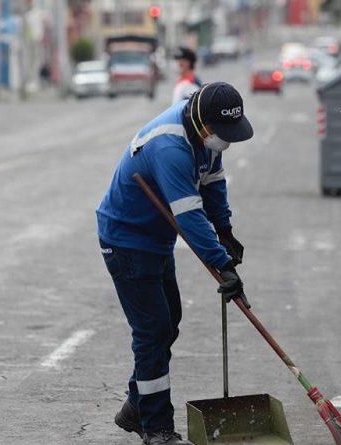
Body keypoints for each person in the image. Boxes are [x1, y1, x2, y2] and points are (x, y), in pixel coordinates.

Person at [97, 82, 252, 445]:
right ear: (203, 125)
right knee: (152, 333)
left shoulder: (204, 135)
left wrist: (225, 230)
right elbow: (189, 215)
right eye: (222, 134)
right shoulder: (170, 147)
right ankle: (155, 427)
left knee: (170, 322)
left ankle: (136, 404)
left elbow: (213, 184)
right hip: (127, 243)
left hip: (155, 241)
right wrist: (221, 263)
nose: (225, 142)